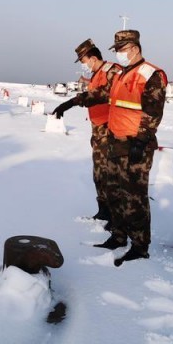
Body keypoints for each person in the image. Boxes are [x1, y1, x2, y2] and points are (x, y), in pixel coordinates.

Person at [54, 30, 167, 266]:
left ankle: (139, 245)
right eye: (116, 50)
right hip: (115, 141)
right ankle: (118, 236)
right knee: (115, 191)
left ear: (135, 48)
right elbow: (101, 94)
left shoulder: (150, 74)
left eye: (122, 49)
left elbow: (153, 113)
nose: (118, 54)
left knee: (134, 197)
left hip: (136, 145)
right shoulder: (121, 75)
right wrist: (72, 102)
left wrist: (141, 140)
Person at [53, 39, 120, 226]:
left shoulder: (112, 71)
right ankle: (104, 211)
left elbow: (103, 93)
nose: (83, 65)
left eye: (83, 61)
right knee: (98, 173)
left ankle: (116, 217)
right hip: (98, 129)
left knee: (110, 175)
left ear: (92, 58)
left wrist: (73, 102)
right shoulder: (98, 73)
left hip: (110, 128)